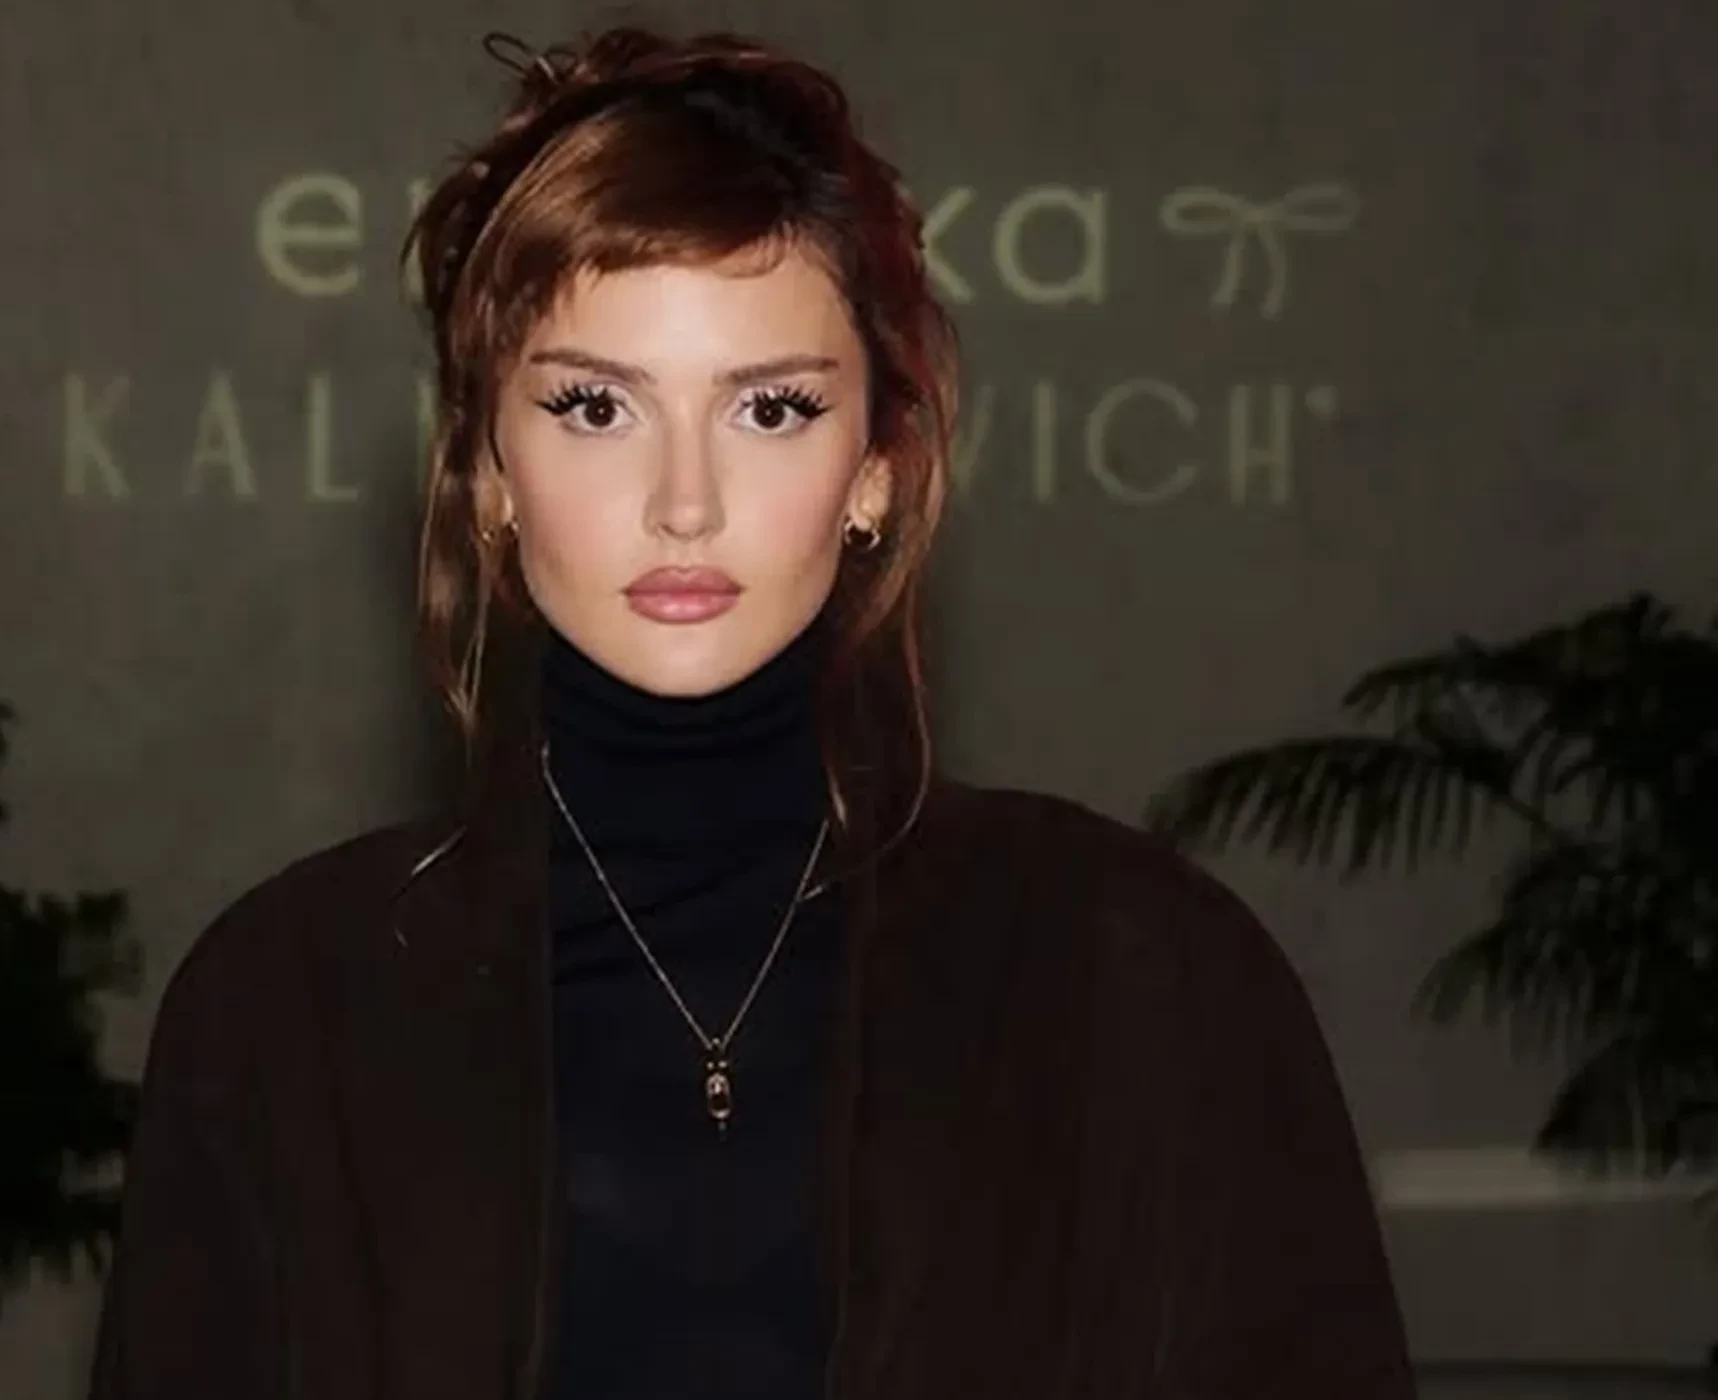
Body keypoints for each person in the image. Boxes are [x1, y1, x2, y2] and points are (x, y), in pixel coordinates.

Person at [85, 25, 1415, 1400]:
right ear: (487, 465)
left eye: (769, 410)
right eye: (595, 406)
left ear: (878, 466)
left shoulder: (1140, 974)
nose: (685, 503)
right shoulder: (290, 1006)